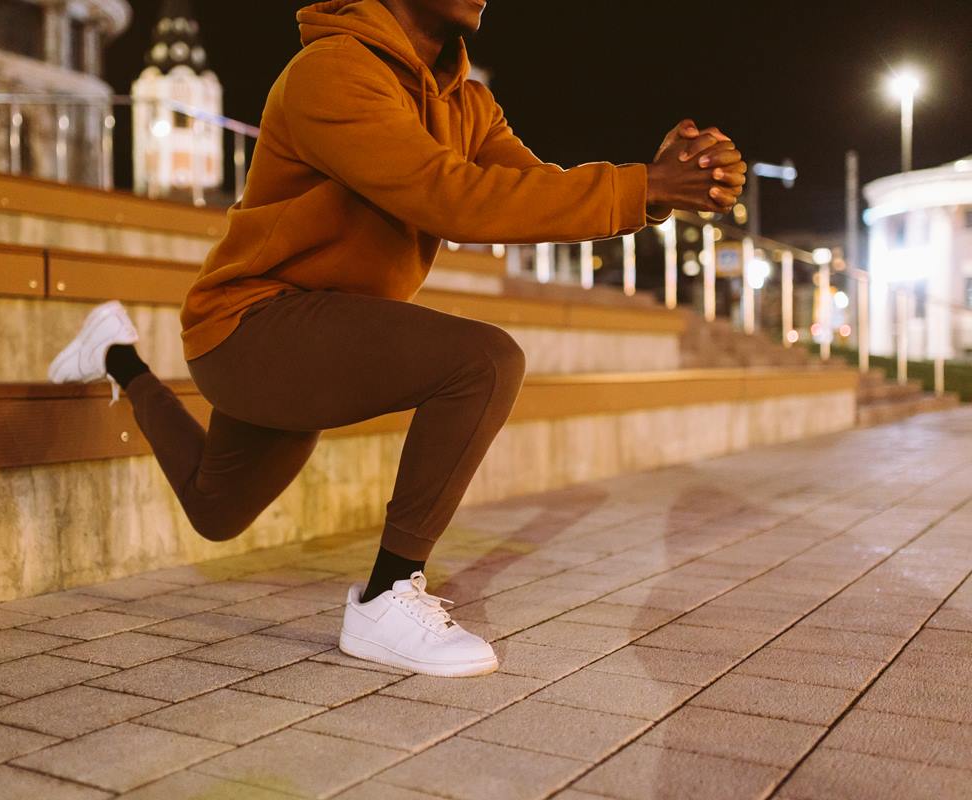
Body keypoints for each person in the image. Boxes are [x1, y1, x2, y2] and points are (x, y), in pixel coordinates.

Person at [49, 0, 745, 677]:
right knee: (484, 360)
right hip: (252, 326)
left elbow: (528, 187)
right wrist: (644, 184)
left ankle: (116, 353)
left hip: (325, 332)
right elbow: (452, 198)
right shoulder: (332, 72)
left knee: (216, 508)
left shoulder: (467, 105)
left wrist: (654, 192)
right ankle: (385, 597)